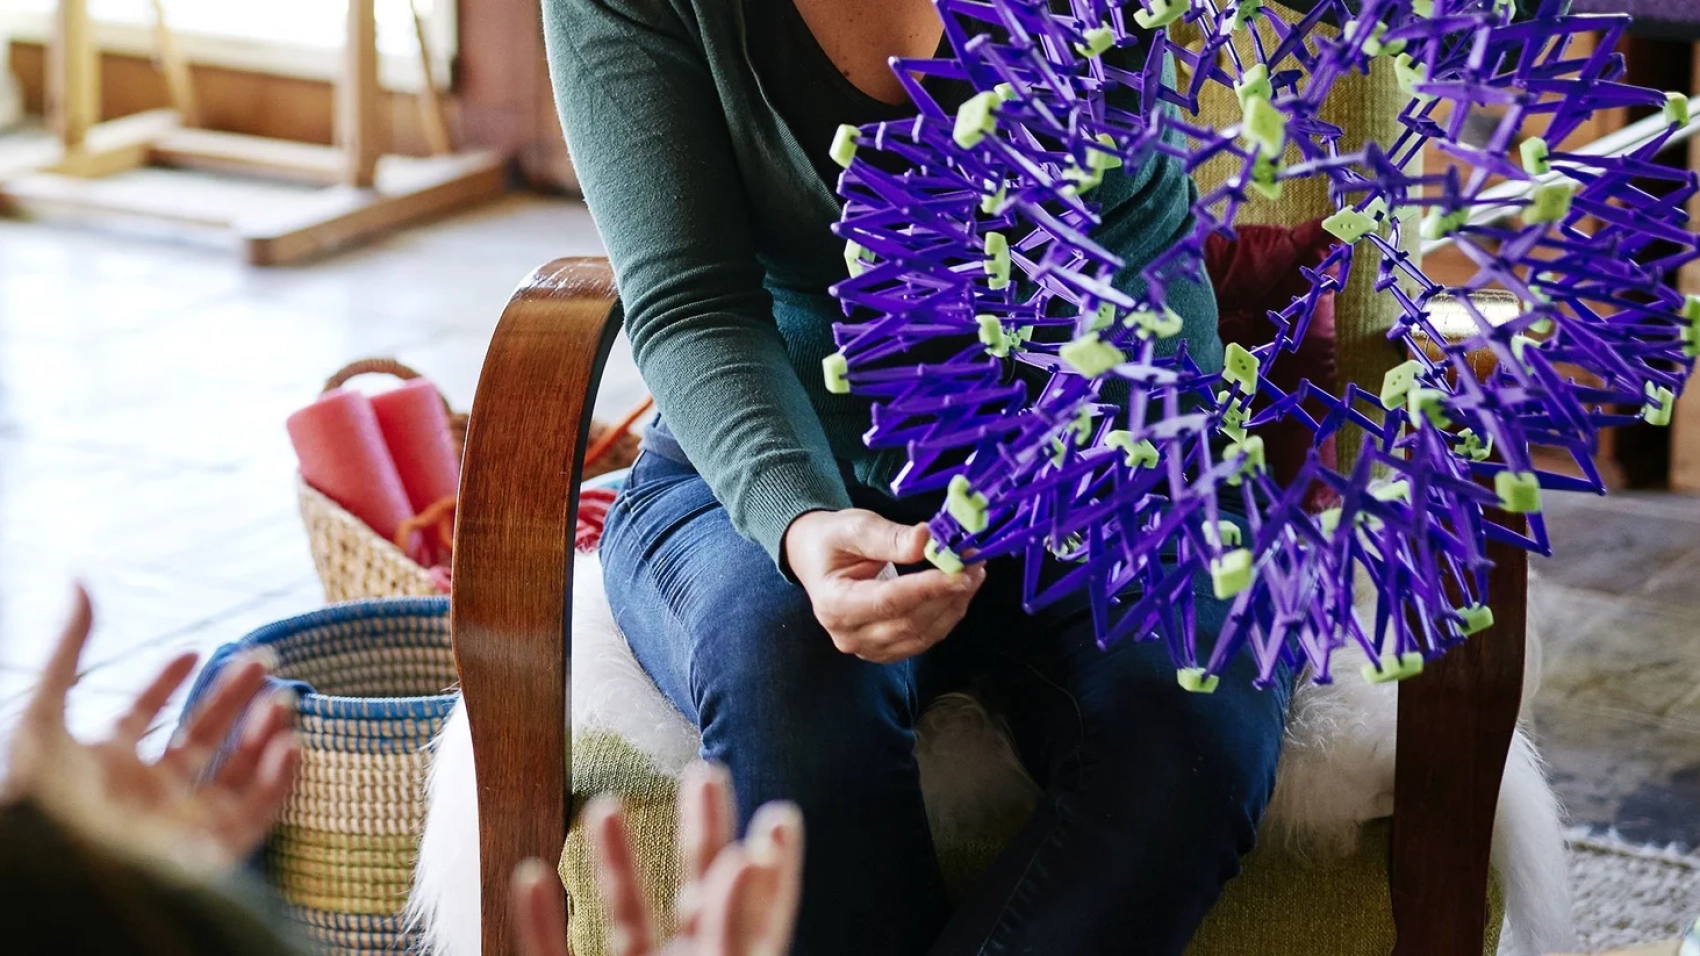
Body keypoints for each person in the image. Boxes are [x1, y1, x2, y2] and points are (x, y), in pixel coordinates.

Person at [544, 2, 1303, 954]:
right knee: (792, 675)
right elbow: (692, 300)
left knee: (1191, 734)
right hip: (774, 457)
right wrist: (800, 521)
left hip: (1117, 453)